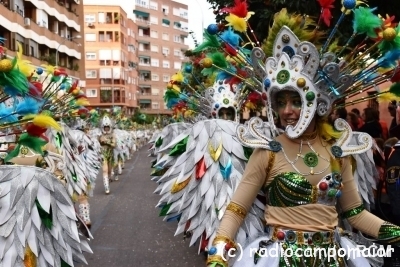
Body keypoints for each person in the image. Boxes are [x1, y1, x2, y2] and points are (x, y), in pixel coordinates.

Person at [205, 5, 400, 267]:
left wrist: (397, 234)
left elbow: (356, 215)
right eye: (281, 102)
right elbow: (237, 209)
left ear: (315, 102)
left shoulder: (336, 151)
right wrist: (218, 254)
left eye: (295, 101)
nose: (287, 111)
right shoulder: (268, 152)